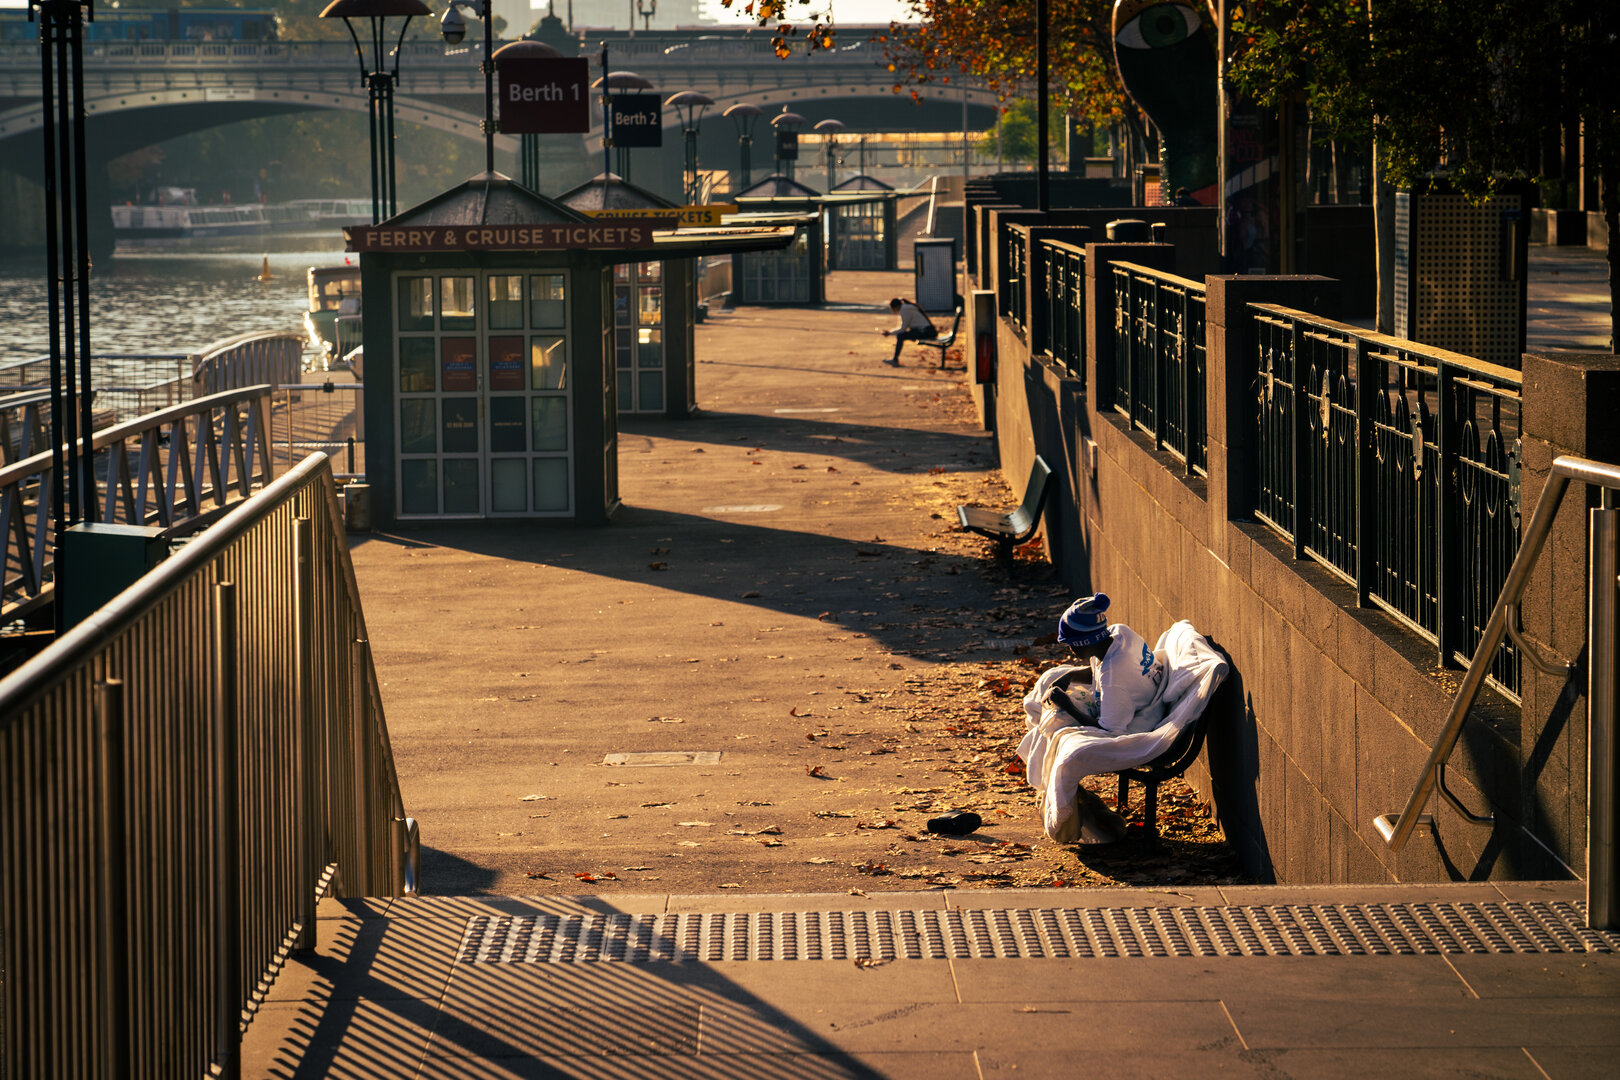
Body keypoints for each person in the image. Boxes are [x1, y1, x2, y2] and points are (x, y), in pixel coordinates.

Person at [1055, 592, 1167, 735]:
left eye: (1070, 644)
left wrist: (1068, 706)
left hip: (1138, 718)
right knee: (1053, 676)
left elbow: (1108, 729)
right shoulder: (1120, 632)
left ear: (1083, 643)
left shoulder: (1113, 678)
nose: (1070, 649)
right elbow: (1100, 670)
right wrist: (1070, 676)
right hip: (1139, 687)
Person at [880, 297, 936, 366]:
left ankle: (895, 360)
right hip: (927, 331)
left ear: (896, 307)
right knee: (903, 334)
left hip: (926, 332)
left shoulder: (904, 309)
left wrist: (889, 333)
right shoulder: (905, 307)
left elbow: (902, 328)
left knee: (900, 336)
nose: (893, 311)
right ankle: (895, 359)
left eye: (892, 309)